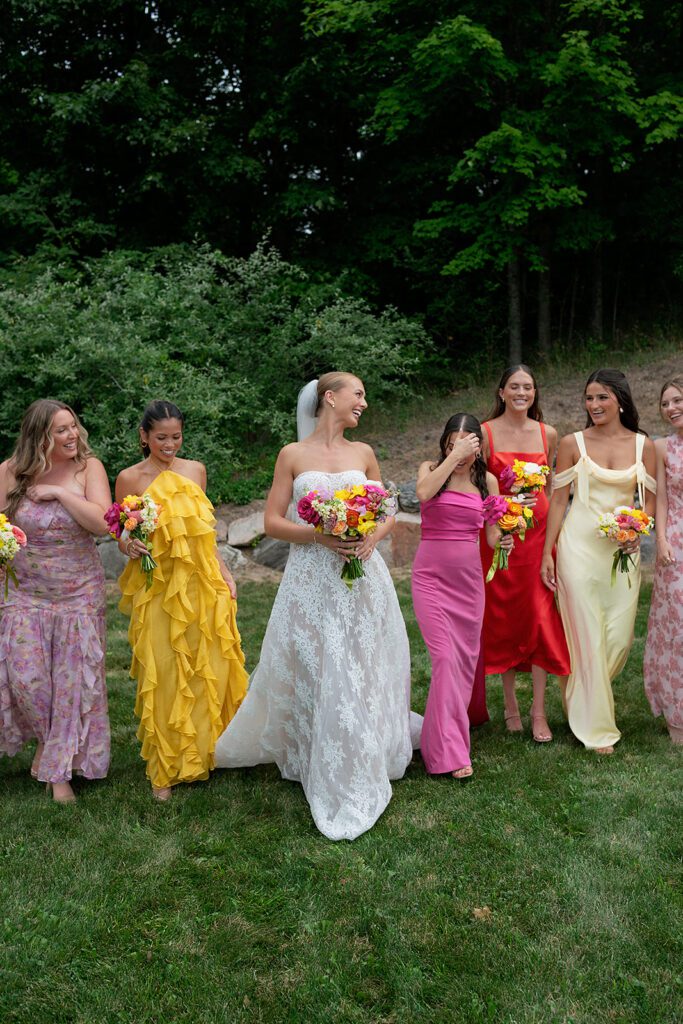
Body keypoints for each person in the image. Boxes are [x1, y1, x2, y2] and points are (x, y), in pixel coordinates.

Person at [214, 372, 422, 841]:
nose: (364, 403)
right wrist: (318, 535)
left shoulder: (363, 453)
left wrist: (370, 536)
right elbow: (270, 521)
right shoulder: (292, 455)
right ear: (330, 398)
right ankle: (315, 749)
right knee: (318, 663)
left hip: (361, 574)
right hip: (310, 577)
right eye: (358, 394)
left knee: (360, 663)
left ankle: (364, 747)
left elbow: (386, 510)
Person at [116, 400, 248, 800]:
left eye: (176, 436)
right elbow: (119, 534)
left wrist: (225, 574)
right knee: (167, 671)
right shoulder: (129, 478)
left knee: (207, 668)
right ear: (144, 437)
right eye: (161, 438)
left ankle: (209, 752)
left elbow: (205, 532)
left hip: (202, 582)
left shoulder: (196, 470)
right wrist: (128, 544)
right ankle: (164, 767)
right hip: (157, 585)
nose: (169, 444)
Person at [0, 400, 111, 803]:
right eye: (62, 430)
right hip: (24, 591)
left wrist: (59, 494)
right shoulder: (10, 472)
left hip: (78, 593)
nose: (73, 435)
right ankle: (51, 750)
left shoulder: (88, 468)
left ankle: (57, 771)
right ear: (39, 437)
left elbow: (102, 522)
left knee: (70, 685)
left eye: (74, 427)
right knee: (27, 680)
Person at [541, 369, 656, 754]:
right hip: (579, 549)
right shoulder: (574, 443)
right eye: (589, 398)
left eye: (602, 397)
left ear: (620, 399)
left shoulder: (644, 446)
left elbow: (650, 500)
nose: (594, 405)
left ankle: (580, 694)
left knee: (620, 638)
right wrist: (549, 553)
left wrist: (639, 531)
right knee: (586, 633)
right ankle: (596, 729)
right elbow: (559, 500)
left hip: (623, 552)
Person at [412, 414, 512, 780]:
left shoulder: (486, 481)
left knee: (463, 665)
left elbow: (489, 536)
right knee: (443, 659)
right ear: (445, 443)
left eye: (470, 443)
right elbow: (423, 494)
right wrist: (453, 459)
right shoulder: (431, 469)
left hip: (468, 584)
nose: (464, 449)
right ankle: (450, 751)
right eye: (455, 441)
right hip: (430, 579)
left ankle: (440, 739)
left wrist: (504, 538)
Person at [480, 365, 570, 741]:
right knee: (504, 615)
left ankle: (537, 710)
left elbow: (551, 491)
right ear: (501, 392)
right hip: (503, 537)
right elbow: (481, 487)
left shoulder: (547, 434)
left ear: (535, 393)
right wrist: (504, 502)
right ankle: (509, 704)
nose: (522, 392)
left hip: (537, 538)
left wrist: (551, 544)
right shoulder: (484, 432)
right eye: (514, 386)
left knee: (539, 616)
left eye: (528, 387)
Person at [643, 376, 683, 744]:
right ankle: (676, 717)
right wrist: (661, 540)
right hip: (677, 542)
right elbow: (664, 498)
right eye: (665, 403)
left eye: (677, 401)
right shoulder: (662, 447)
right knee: (676, 629)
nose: (671, 408)